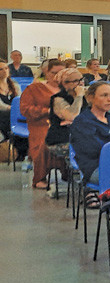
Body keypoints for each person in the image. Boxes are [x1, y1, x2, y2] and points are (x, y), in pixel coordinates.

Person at [70, 82, 110, 191]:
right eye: (104, 95)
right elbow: (93, 150)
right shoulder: (82, 122)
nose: (109, 99)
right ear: (90, 98)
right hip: (96, 167)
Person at [21, 59, 65, 189]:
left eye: (61, 73)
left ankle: (69, 174)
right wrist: (48, 111)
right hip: (41, 123)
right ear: (46, 72)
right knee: (45, 141)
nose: (57, 76)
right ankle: (40, 177)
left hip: (65, 124)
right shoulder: (33, 89)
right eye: (53, 73)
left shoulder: (71, 89)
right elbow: (25, 109)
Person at [44, 68, 85, 170]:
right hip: (60, 139)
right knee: (90, 148)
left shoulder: (85, 96)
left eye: (81, 79)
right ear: (65, 84)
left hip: (79, 135)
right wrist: (79, 96)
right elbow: (72, 116)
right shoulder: (58, 99)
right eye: (76, 81)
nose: (81, 83)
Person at [0, 58, 27, 160]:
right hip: (3, 114)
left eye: (6, 68)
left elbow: (20, 101)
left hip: (15, 114)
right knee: (7, 118)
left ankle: (22, 152)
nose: (5, 71)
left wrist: (16, 109)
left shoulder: (14, 85)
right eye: (1, 69)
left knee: (24, 120)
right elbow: (1, 106)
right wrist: (12, 108)